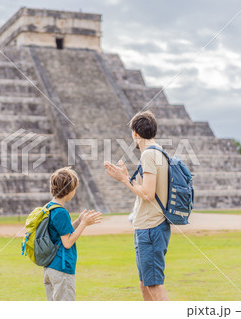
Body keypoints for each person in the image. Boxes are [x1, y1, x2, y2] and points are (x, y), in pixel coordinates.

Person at [104, 111, 171, 301]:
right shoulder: (159, 151)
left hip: (151, 227)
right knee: (145, 285)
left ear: (135, 133)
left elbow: (148, 194)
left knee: (154, 286)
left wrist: (124, 179)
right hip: (149, 226)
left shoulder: (149, 155)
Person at [44, 166, 103, 301]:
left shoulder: (49, 207)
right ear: (68, 190)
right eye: (74, 189)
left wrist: (78, 221)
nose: (75, 192)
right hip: (62, 268)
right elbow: (67, 243)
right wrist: (84, 224)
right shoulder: (61, 212)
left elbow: (61, 232)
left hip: (50, 267)